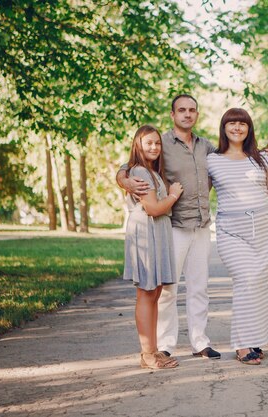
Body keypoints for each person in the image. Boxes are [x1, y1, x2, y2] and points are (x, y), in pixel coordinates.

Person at [116, 95, 221, 359]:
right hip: (172, 227)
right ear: (173, 114)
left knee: (200, 287)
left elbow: (232, 159)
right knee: (167, 290)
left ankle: (200, 343)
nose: (187, 114)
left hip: (201, 226)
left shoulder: (206, 146)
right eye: (182, 110)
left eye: (192, 110)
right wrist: (123, 180)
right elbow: (129, 165)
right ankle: (164, 345)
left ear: (197, 114)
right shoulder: (160, 143)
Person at [207, 108, 268, 365]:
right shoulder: (212, 160)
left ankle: (255, 338)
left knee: (261, 283)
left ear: (249, 128)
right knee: (246, 278)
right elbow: (198, 192)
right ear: (224, 128)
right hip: (231, 230)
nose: (237, 128)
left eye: (242, 124)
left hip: (264, 228)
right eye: (231, 123)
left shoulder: (264, 158)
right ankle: (242, 344)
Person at [123, 125, 183, 369]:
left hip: (157, 230)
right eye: (148, 143)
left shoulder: (151, 171)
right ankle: (146, 354)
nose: (154, 147)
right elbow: (153, 208)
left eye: (157, 143)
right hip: (147, 232)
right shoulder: (139, 171)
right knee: (147, 293)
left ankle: (154, 350)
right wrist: (174, 195)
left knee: (155, 292)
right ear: (138, 145)